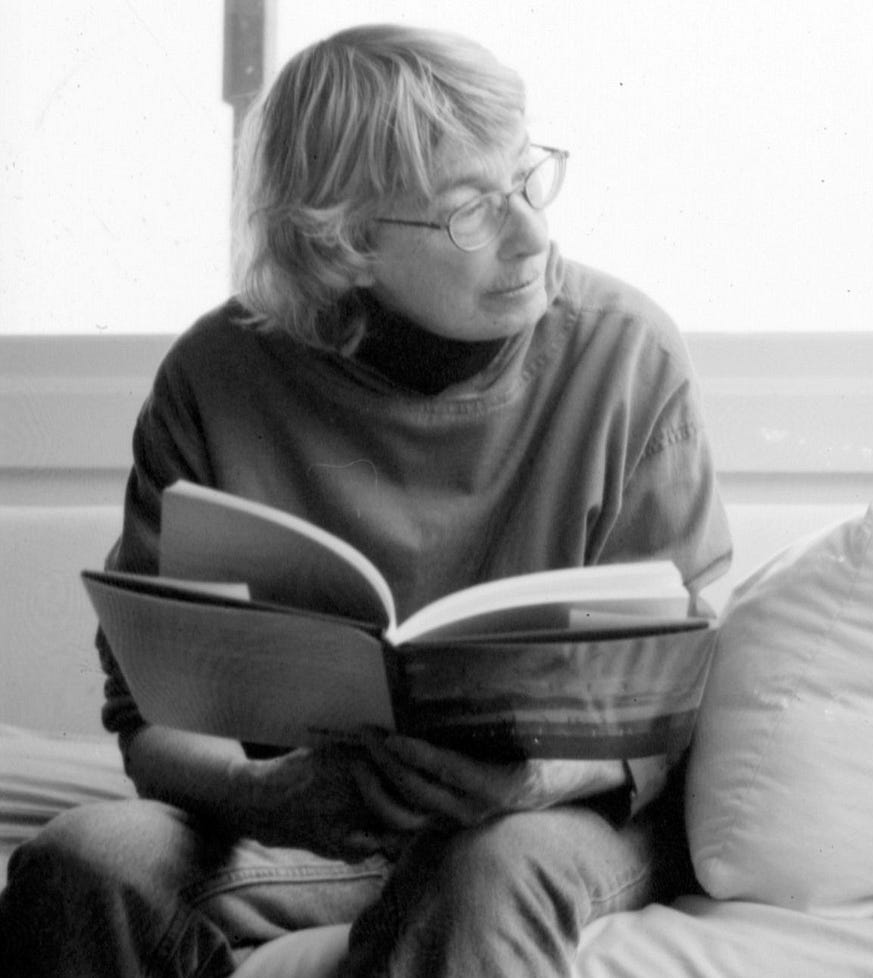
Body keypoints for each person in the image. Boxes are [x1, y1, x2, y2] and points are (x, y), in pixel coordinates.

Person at [0, 23, 732, 977]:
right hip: (308, 827)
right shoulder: (214, 377)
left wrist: (526, 781)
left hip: (554, 816)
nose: (531, 234)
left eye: (526, 180)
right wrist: (269, 795)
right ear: (344, 242)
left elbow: (678, 686)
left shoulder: (626, 353)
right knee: (85, 859)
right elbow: (149, 713)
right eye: (471, 210)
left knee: (487, 866)